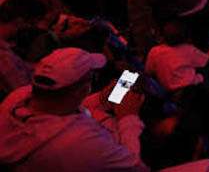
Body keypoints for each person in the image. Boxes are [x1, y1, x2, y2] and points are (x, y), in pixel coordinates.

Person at [0, 48, 149, 172]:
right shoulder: (81, 141)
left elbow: (62, 105)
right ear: (83, 88)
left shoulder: (17, 97)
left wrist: (100, 100)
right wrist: (128, 118)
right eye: (91, 77)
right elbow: (136, 166)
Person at [145, 20, 209, 92]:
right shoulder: (187, 50)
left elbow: (149, 71)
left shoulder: (154, 51)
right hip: (191, 88)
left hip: (168, 92)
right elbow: (207, 60)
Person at [0, 0, 46, 99]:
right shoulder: (3, 56)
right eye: (33, 23)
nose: (33, 28)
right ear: (19, 21)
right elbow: (24, 91)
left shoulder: (6, 47)